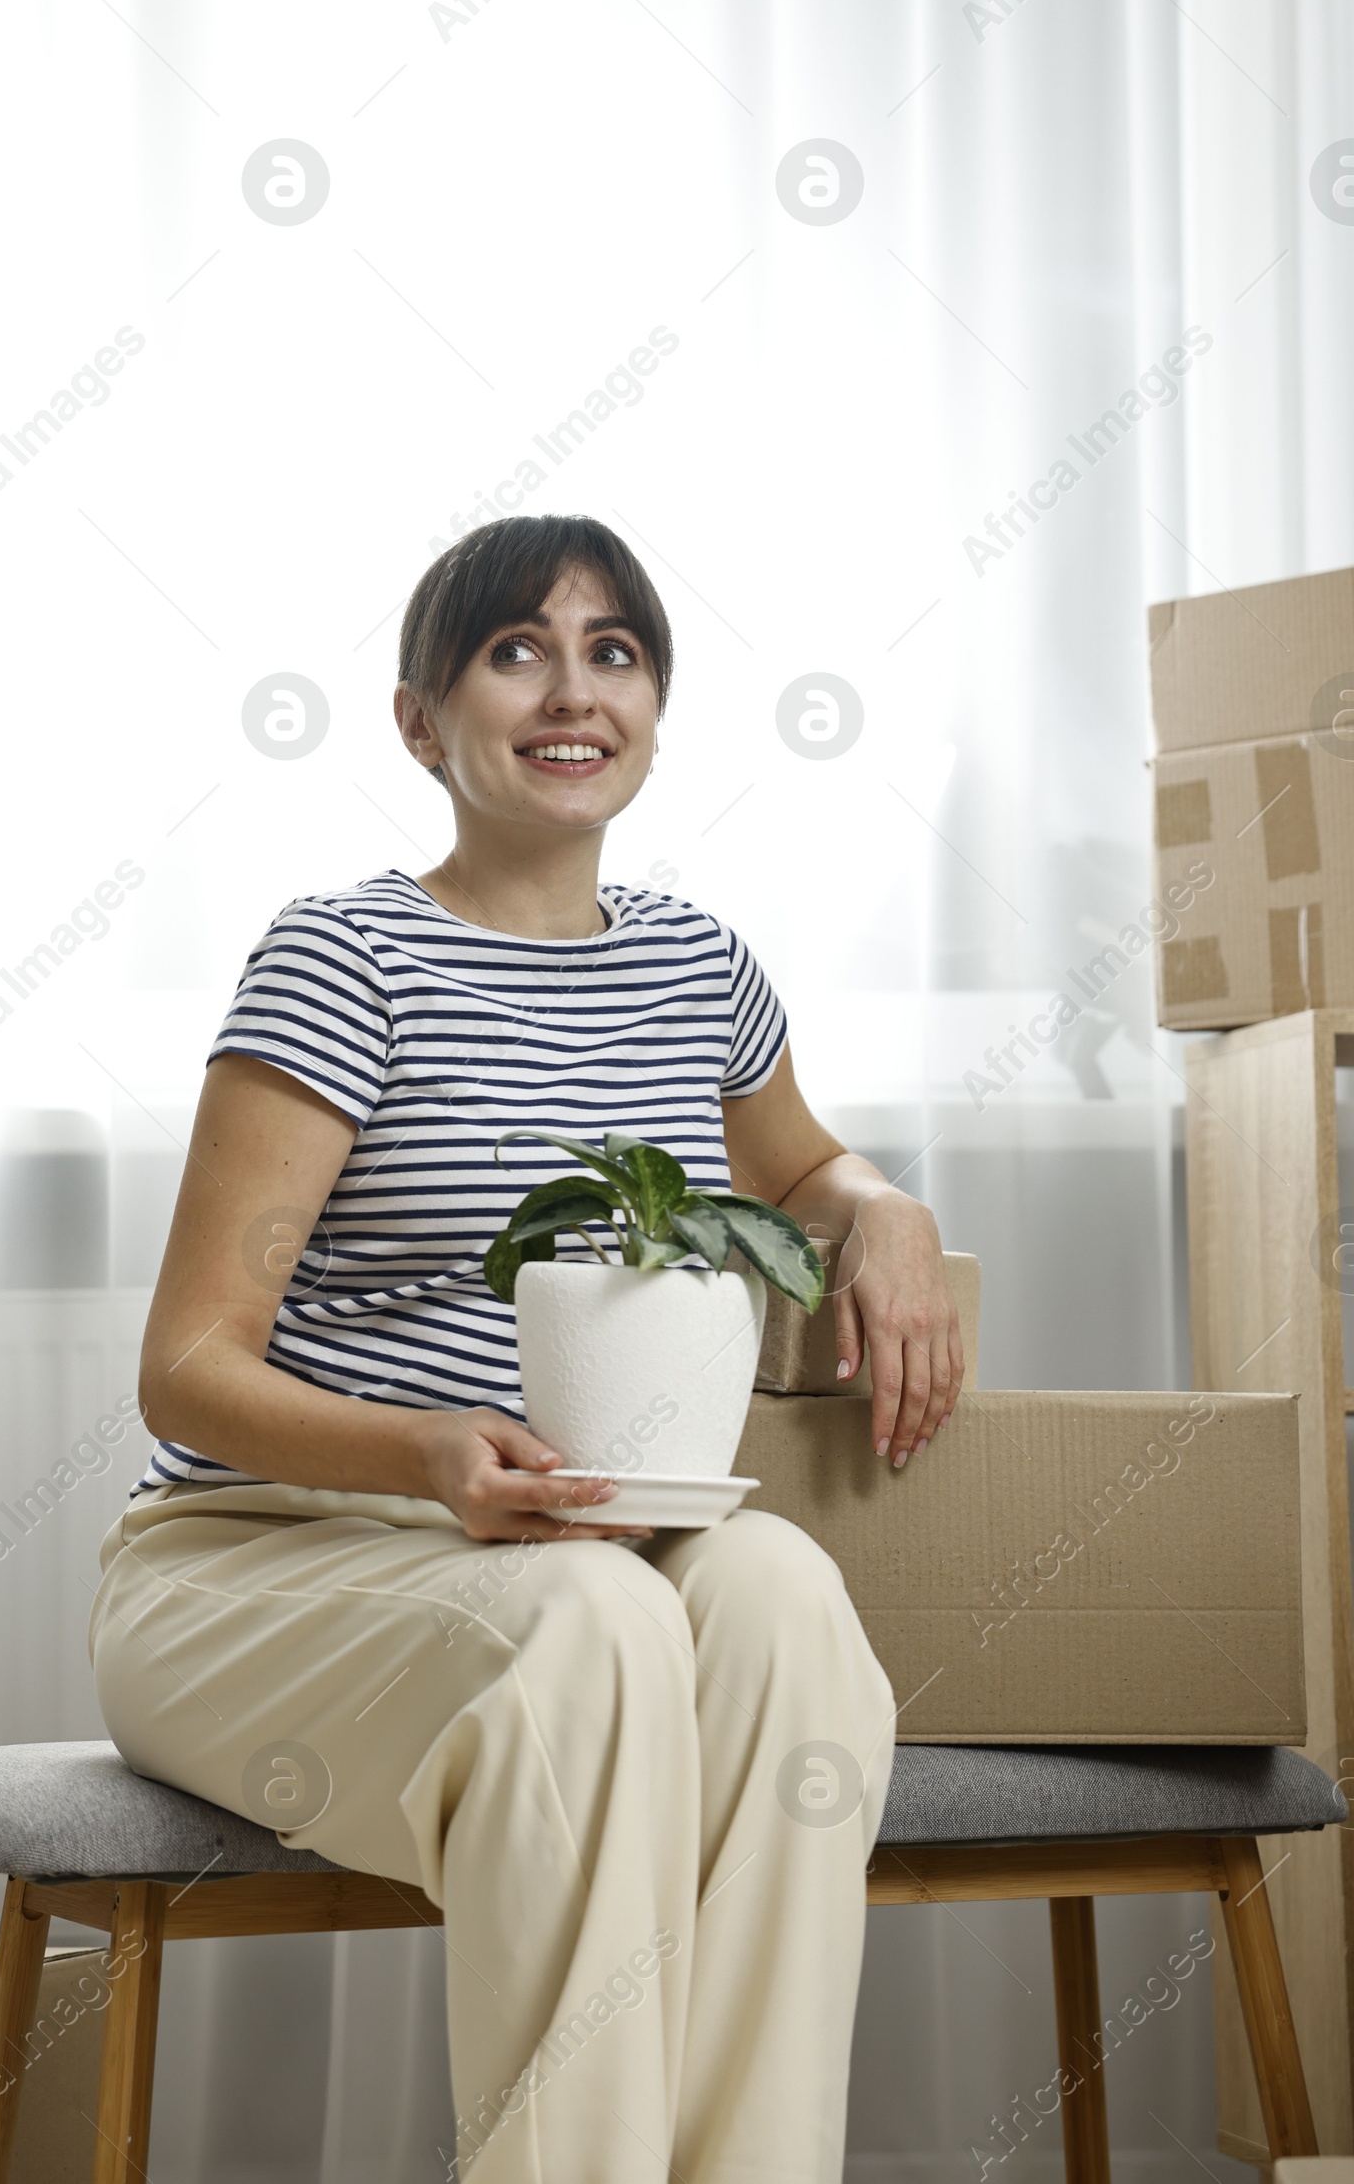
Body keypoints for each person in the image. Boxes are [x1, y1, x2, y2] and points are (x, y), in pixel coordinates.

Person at [89, 513, 964, 2183]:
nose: (574, 692)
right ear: (423, 722)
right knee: (595, 1622)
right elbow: (187, 1367)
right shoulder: (346, 958)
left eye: (614, 652)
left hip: (573, 1560)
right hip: (264, 1567)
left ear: (653, 706)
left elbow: (807, 1167)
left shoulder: (699, 970)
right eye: (518, 651)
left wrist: (886, 1208)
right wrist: (424, 1454)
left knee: (782, 1599)